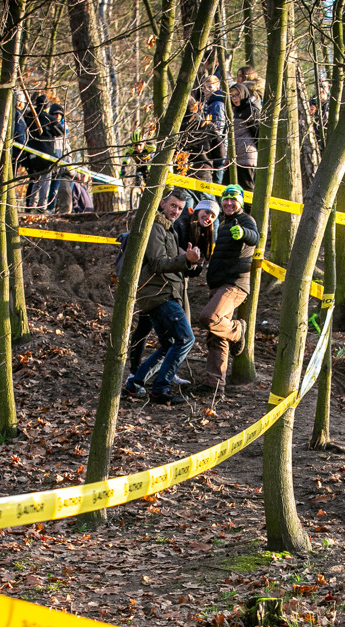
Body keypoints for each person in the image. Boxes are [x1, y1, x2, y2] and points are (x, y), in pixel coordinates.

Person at [123, 190, 203, 405]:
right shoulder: (155, 228)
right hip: (159, 294)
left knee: (169, 344)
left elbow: (173, 263)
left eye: (179, 207)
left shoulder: (170, 229)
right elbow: (158, 263)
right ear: (162, 203)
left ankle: (134, 384)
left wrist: (190, 261)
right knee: (186, 339)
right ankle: (160, 388)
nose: (176, 211)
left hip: (166, 294)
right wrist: (184, 259)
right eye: (173, 206)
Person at [196, 185, 259, 397]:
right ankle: (214, 386)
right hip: (219, 285)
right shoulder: (223, 224)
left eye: (234, 199)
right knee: (216, 338)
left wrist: (243, 233)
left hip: (234, 284)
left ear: (240, 202)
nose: (229, 203)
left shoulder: (245, 220)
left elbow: (254, 237)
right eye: (226, 199)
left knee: (208, 318)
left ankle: (238, 330)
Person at [228, 82, 262, 191]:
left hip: (247, 158)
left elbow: (257, 134)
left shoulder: (251, 110)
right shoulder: (235, 111)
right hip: (234, 157)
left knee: (247, 189)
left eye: (237, 95)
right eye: (232, 96)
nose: (234, 98)